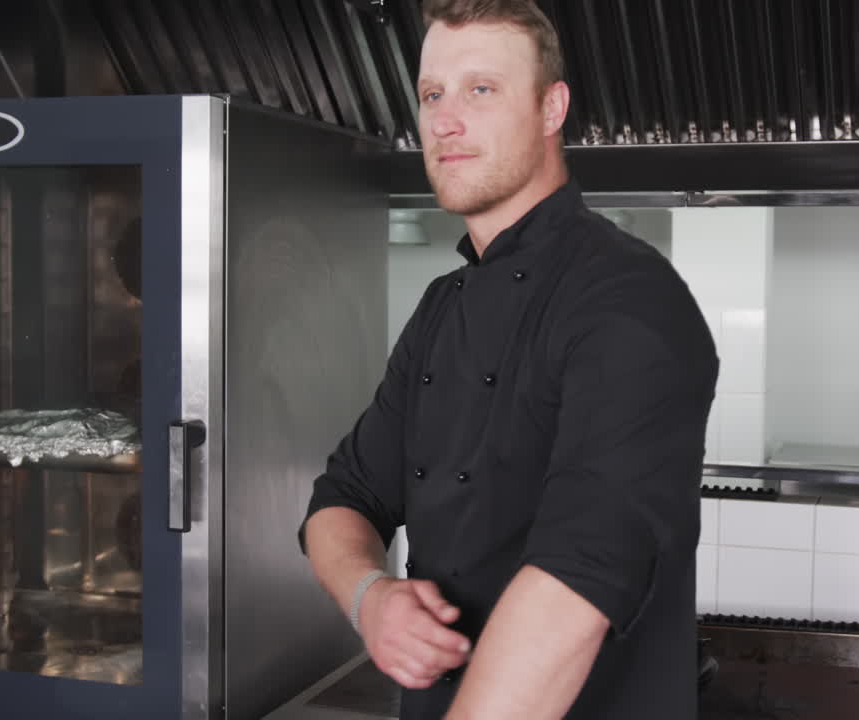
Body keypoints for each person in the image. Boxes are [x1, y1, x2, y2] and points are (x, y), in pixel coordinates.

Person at [297, 1, 719, 717]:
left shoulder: (629, 300)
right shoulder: (442, 308)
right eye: (433, 94)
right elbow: (341, 500)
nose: (445, 120)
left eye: (481, 90)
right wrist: (372, 598)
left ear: (551, 108)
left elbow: (578, 582)